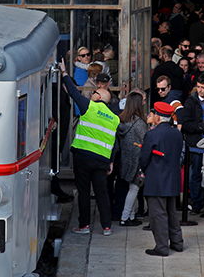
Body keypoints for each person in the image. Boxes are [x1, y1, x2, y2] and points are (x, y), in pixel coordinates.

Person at [60, 60, 119, 236]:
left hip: (83, 158)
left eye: (95, 93)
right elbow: (114, 143)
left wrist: (64, 73)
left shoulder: (89, 107)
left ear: (100, 97)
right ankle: (106, 227)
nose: (92, 94)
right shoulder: (114, 118)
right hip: (102, 160)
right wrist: (111, 162)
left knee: (84, 193)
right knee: (102, 193)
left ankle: (84, 226)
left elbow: (72, 92)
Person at [140, 102, 185, 256]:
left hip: (156, 178)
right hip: (172, 177)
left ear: (158, 116)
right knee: (171, 212)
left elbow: (144, 158)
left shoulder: (152, 134)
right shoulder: (177, 133)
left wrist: (145, 170)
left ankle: (161, 246)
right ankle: (177, 242)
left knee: (158, 214)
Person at [178, 73, 204, 214]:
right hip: (197, 143)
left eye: (203, 87)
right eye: (198, 87)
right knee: (196, 174)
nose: (200, 90)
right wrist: (203, 127)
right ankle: (198, 203)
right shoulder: (190, 101)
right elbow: (186, 124)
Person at [116, 92, 149, 226]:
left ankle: (130, 216)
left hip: (125, 158)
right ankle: (125, 218)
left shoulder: (122, 120)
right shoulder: (139, 123)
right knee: (134, 189)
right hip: (137, 160)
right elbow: (145, 141)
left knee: (131, 188)